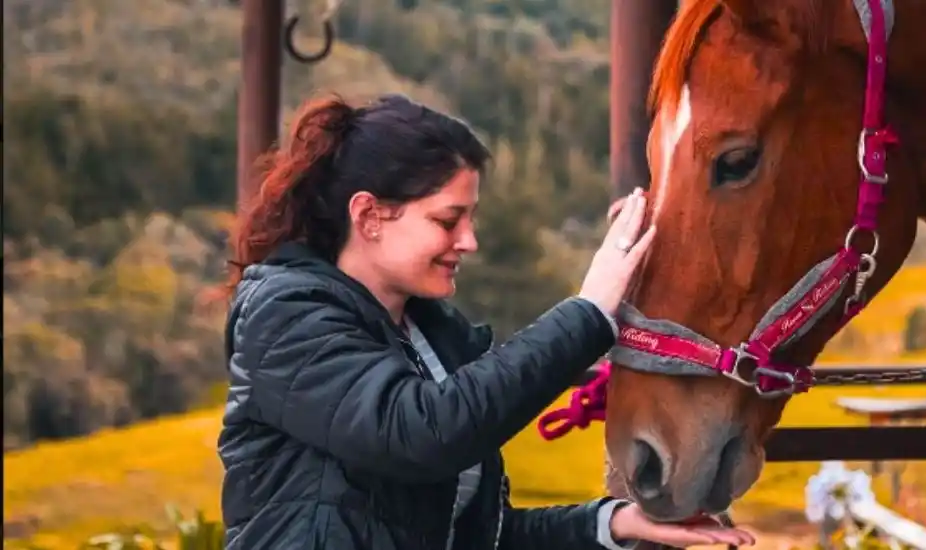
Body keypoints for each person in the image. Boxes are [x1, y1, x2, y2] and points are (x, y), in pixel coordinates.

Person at [217, 93, 757, 550]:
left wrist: (612, 523)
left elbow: (475, 535)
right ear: (369, 216)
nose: (468, 241)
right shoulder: (285, 316)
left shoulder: (431, 340)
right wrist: (588, 311)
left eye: (470, 219)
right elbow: (423, 434)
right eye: (448, 220)